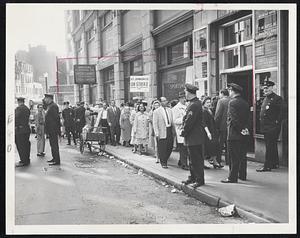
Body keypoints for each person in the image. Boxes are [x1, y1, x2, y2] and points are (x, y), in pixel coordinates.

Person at [221, 83, 249, 183]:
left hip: (234, 134)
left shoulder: (232, 103)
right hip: (244, 133)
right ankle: (242, 175)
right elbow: (247, 119)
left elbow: (233, 119)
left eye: (230, 90)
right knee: (242, 156)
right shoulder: (245, 102)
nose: (229, 92)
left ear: (232, 91)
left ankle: (232, 177)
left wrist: (240, 129)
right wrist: (245, 129)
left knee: (233, 157)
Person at [181, 84, 206, 188]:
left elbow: (189, 121)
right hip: (193, 137)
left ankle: (199, 180)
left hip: (194, 137)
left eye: (185, 91)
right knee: (192, 159)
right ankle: (193, 177)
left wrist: (183, 131)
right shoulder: (194, 103)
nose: (184, 94)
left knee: (196, 160)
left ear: (189, 92)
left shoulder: (194, 104)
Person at [256, 81, 284, 172]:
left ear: (272, 88)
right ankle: (274, 163)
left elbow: (283, 112)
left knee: (269, 146)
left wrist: (277, 122)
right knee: (272, 145)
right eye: (264, 88)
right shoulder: (265, 99)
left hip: (272, 127)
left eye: (267, 88)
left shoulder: (277, 98)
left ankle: (267, 165)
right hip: (266, 126)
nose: (265, 90)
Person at [153, 97, 174, 169]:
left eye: (166, 100)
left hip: (169, 129)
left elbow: (172, 121)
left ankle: (166, 158)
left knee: (170, 146)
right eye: (164, 101)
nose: (166, 102)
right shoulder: (157, 111)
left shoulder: (170, 110)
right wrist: (156, 133)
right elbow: (155, 123)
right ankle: (163, 162)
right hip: (161, 131)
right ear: (161, 102)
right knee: (162, 147)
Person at [202, 97, 223, 169]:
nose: (209, 103)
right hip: (207, 132)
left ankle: (215, 162)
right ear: (204, 103)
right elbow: (204, 123)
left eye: (209, 102)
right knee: (207, 148)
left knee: (214, 147)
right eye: (207, 102)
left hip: (212, 130)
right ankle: (206, 163)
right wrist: (208, 132)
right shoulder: (204, 111)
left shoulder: (209, 110)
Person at [172, 91, 189, 170]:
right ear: (180, 99)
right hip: (180, 129)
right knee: (183, 148)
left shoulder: (187, 106)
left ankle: (181, 161)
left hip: (186, 129)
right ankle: (184, 164)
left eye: (185, 98)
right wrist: (184, 119)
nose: (184, 100)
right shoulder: (176, 108)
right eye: (182, 98)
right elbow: (175, 120)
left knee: (186, 148)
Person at [44, 94, 61, 166]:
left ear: (49, 98)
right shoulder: (50, 106)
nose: (44, 99)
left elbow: (56, 118)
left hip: (53, 129)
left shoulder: (53, 106)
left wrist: (58, 130)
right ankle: (54, 158)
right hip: (51, 129)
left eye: (45, 98)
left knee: (54, 145)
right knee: (52, 144)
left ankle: (56, 160)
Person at [214, 89, 230, 165]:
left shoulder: (221, 101)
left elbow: (218, 115)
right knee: (228, 144)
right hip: (229, 126)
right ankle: (228, 160)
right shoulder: (232, 100)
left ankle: (218, 159)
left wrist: (215, 125)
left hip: (222, 126)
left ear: (222, 93)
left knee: (220, 144)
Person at [15, 97, 31, 167]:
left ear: (18, 102)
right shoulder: (27, 108)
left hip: (20, 130)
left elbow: (16, 118)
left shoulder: (19, 109)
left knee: (21, 146)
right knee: (26, 145)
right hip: (26, 129)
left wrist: (16, 125)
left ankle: (23, 161)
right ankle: (27, 159)